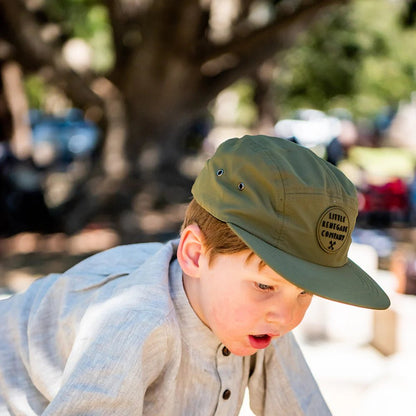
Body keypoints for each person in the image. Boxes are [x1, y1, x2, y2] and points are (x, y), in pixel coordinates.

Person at [0, 135, 390, 415]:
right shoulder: (134, 324)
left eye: (305, 293)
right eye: (265, 285)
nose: (286, 316)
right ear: (194, 255)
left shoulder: (263, 320)